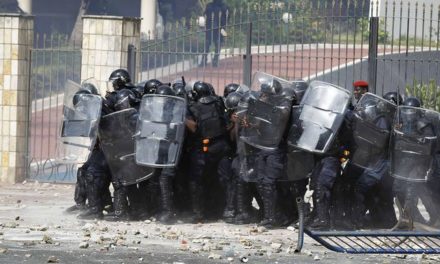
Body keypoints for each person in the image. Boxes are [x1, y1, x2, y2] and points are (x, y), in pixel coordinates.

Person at [186, 81, 230, 222]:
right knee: (222, 180)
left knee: (196, 181)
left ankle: (198, 212)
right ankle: (224, 210)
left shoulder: (192, 107)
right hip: (222, 146)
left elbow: (193, 129)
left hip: (203, 149)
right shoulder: (219, 102)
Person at [200, 0, 229, 67]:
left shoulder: (223, 6)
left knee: (217, 44)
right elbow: (205, 16)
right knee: (209, 43)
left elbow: (227, 18)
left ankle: (213, 60)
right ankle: (205, 60)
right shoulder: (210, 6)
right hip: (212, 28)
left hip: (218, 28)